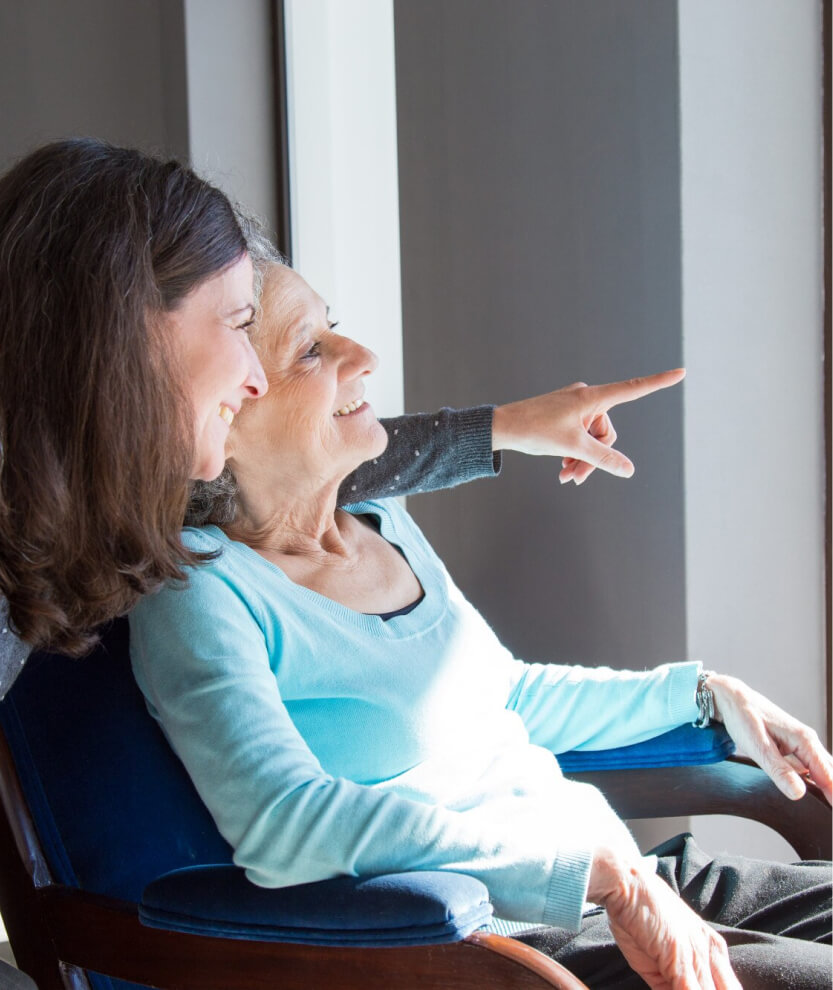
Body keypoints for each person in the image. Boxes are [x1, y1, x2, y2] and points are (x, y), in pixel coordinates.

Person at [130, 261, 832, 990]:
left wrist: (704, 693)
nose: (362, 356)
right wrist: (598, 876)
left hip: (620, 877)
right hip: (495, 945)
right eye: (310, 351)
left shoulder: (378, 522)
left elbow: (507, 697)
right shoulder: (202, 588)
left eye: (333, 328)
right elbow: (285, 824)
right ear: (224, 411)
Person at [0, 136, 672, 704]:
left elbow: (294, 467)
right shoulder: (177, 572)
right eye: (238, 324)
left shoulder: (91, 505)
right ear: (127, 333)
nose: (253, 379)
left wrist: (504, 426)